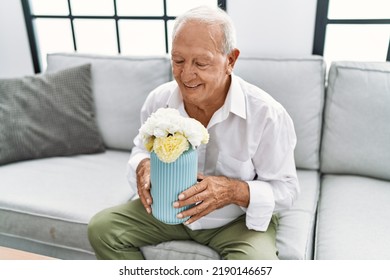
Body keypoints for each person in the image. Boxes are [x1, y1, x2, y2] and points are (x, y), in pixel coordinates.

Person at [88, 5, 299, 260]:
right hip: (166, 210)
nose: (186, 75)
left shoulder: (267, 114)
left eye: (201, 63)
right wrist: (143, 164)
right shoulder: (159, 100)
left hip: (234, 222)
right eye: (178, 61)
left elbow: (286, 190)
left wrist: (233, 191)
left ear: (230, 60)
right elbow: (140, 149)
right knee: (102, 230)